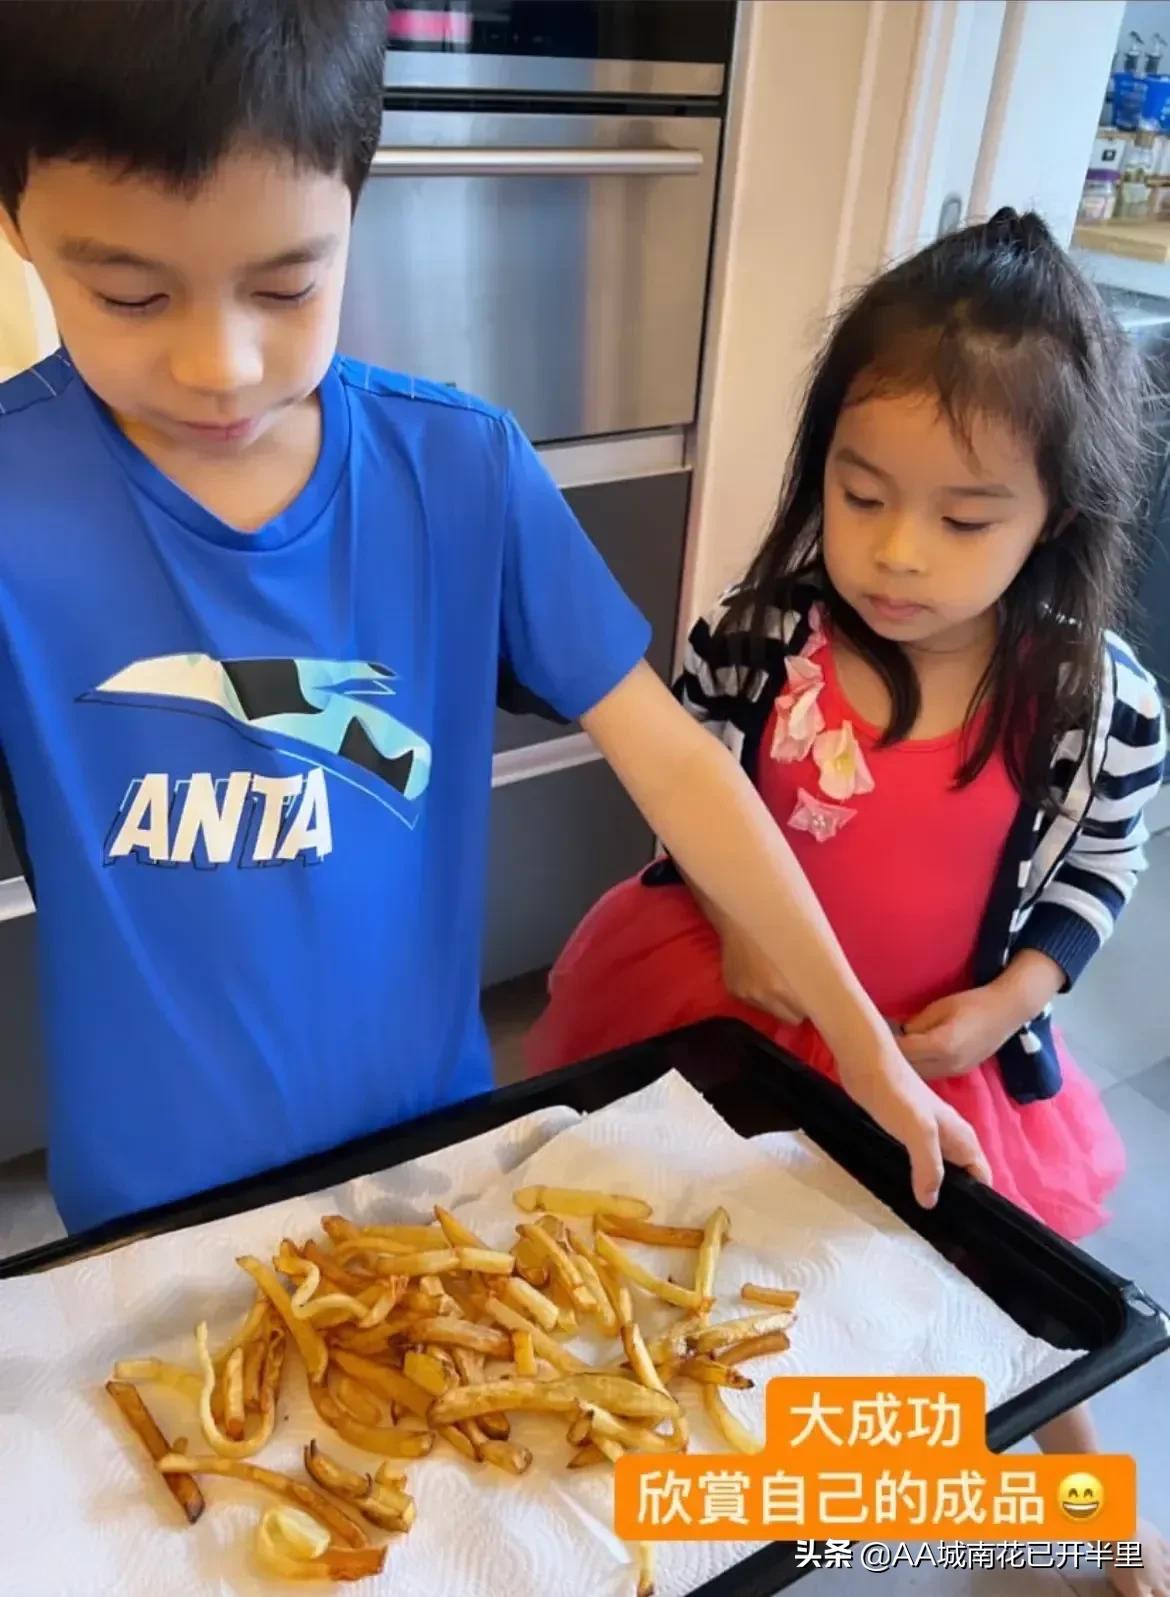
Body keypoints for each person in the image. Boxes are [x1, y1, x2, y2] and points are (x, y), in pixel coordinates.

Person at [0, 0, 978, 1238]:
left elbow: (675, 759)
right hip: (147, 1210)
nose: (224, 364)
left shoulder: (458, 470)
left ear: (358, 205)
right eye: (133, 295)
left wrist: (860, 1041)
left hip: (436, 1162)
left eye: (288, 284)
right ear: (20, 224)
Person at [527, 209, 1168, 1594]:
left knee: (1017, 1277)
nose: (895, 552)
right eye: (859, 491)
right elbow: (682, 778)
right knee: (668, 1244)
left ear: (1055, 512)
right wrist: (743, 917)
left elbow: (1098, 873)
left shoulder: (1093, 700)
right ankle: (634, 1473)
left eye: (962, 517)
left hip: (946, 1049)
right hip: (724, 996)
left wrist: (1011, 997)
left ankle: (1092, 1502)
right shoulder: (762, 636)